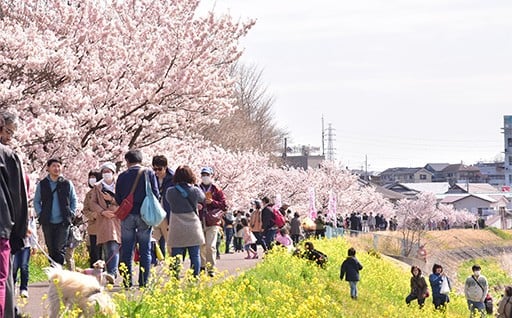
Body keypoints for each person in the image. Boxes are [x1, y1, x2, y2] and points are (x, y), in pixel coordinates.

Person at [115, 149, 159, 288]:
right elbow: (156, 193)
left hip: (127, 215)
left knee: (127, 249)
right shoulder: (149, 173)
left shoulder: (122, 176)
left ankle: (127, 282)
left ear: (127, 161)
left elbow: (118, 197)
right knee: (145, 249)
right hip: (144, 215)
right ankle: (144, 281)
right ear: (140, 160)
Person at [0, 111, 29, 318]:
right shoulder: (8, 156)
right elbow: (19, 198)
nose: (10, 136)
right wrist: (18, 231)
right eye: (8, 131)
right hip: (2, 227)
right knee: (2, 278)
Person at [34, 158, 78, 266]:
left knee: (60, 248)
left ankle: (58, 275)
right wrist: (40, 214)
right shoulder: (43, 184)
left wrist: (71, 213)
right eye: (54, 166)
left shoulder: (67, 184)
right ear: (48, 168)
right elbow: (36, 201)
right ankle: (53, 274)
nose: (56, 168)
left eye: (59, 166)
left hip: (63, 221)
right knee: (51, 248)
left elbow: (74, 199)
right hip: (47, 221)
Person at [166, 165, 205, 277]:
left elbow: (169, 202)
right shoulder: (195, 191)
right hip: (192, 225)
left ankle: (175, 278)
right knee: (194, 255)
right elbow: (202, 198)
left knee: (176, 254)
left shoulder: (170, 191)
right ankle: (194, 278)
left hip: (176, 225)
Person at [90, 162, 121, 279]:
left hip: (118, 217)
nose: (106, 174)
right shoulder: (97, 187)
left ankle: (113, 271)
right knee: (109, 246)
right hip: (104, 219)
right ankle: (111, 272)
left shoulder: (119, 184)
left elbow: (124, 200)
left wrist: (112, 200)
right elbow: (92, 203)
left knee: (115, 245)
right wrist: (102, 212)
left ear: (113, 173)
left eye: (109, 171)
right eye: (104, 172)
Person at [198, 166, 226, 277]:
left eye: (207, 175)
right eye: (203, 175)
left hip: (213, 221)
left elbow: (224, 204)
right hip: (200, 220)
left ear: (211, 176)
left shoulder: (216, 189)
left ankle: (211, 268)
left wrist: (212, 202)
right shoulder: (198, 188)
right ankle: (202, 266)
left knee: (210, 245)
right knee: (201, 245)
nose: (205, 177)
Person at [151, 155, 174, 260]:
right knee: (151, 241)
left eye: (159, 169)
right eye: (154, 169)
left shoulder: (173, 178)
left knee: (170, 243)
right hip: (154, 213)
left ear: (166, 167)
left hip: (166, 214)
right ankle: (153, 265)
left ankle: (174, 268)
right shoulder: (151, 177)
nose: (157, 171)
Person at [83, 170, 103, 267]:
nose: (92, 180)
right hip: (93, 227)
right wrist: (92, 215)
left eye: (94, 177)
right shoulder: (89, 194)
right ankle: (94, 274)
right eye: (90, 177)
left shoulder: (105, 191)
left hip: (105, 227)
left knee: (105, 253)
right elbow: (85, 210)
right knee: (94, 253)